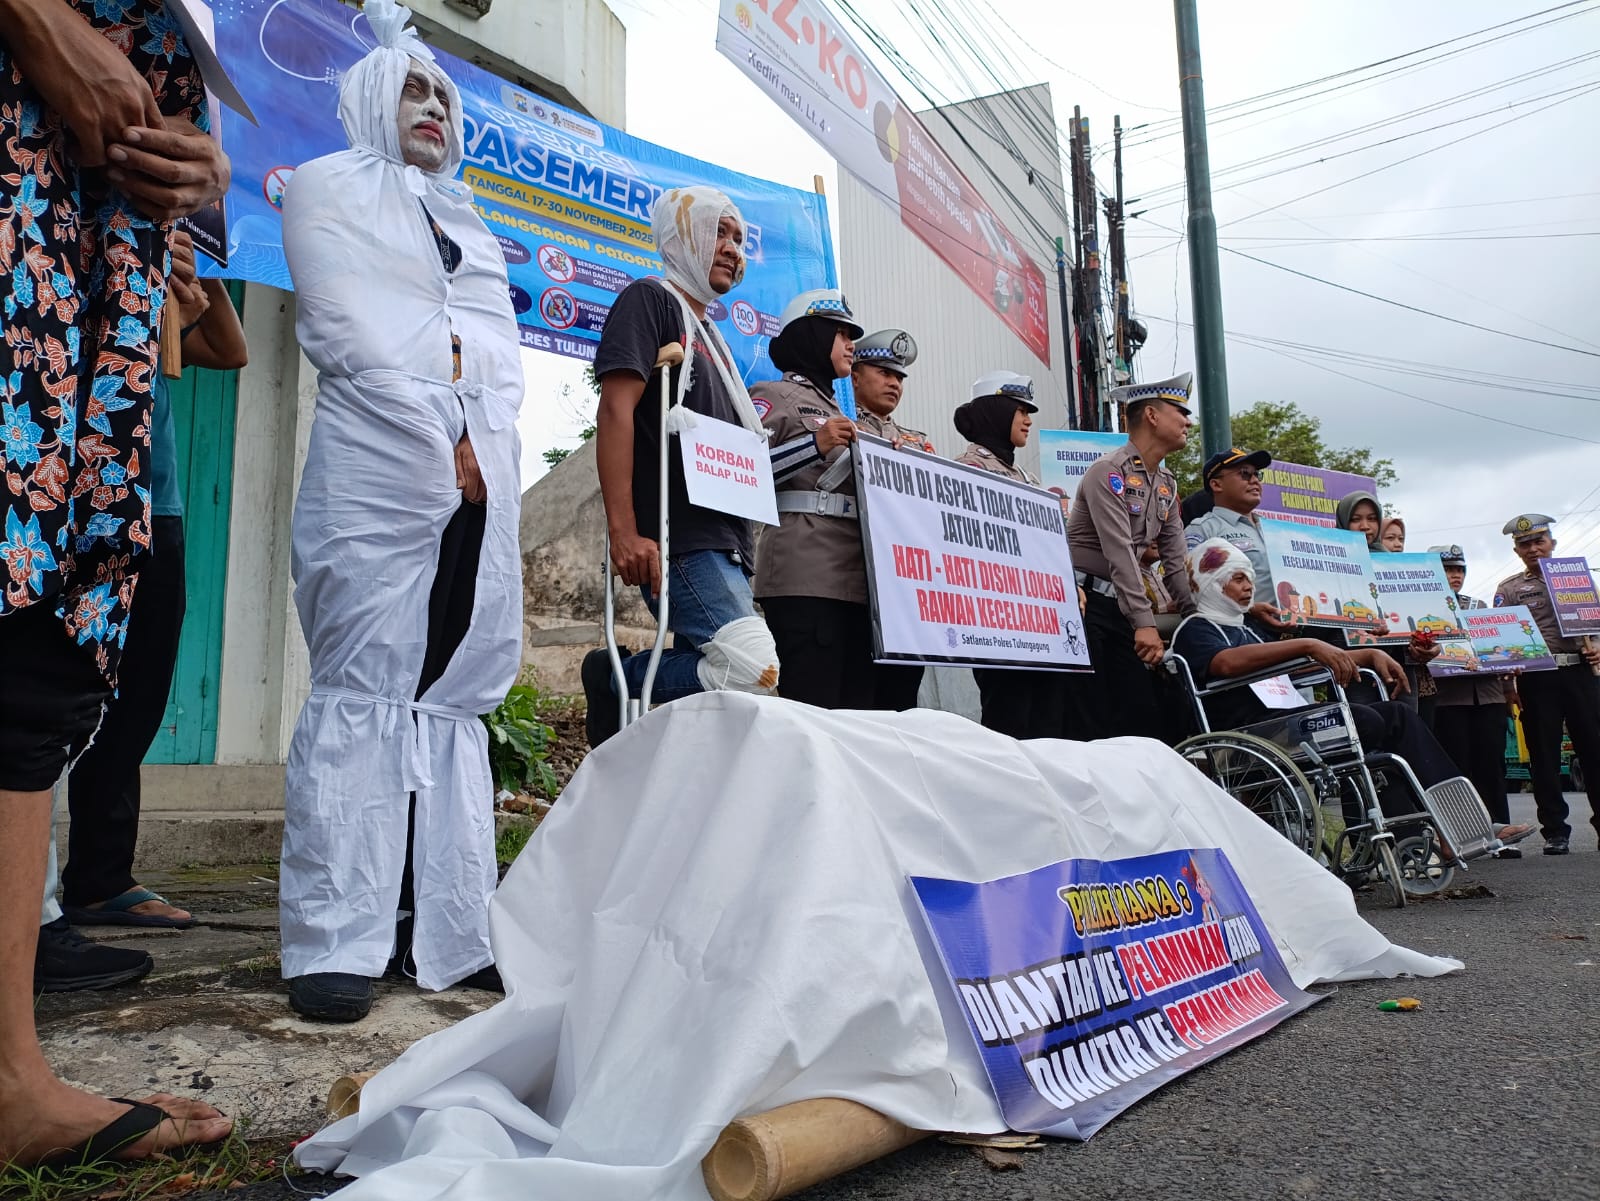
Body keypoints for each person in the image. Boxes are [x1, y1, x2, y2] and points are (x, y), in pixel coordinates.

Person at [0, 0, 233, 1166]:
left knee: (39, 649)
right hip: (16, 182)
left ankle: (7, 1073)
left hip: (103, 239)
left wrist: (199, 162)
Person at [279, 5, 525, 1022]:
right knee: (367, 686)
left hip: (477, 485)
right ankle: (336, 938)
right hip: (383, 480)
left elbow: (496, 358)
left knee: (447, 688)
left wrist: (488, 452)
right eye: (414, 89)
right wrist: (442, 441)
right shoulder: (328, 188)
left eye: (445, 97)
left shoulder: (466, 219)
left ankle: (448, 925)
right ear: (373, 99)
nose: (432, 108)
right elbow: (351, 334)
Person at [56, 233, 248, 937]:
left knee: (139, 699)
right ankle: (57, 892)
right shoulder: (86, 285)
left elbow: (231, 351)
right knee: (68, 697)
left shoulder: (158, 299)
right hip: (86, 509)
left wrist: (199, 280)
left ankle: (101, 877)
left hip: (157, 511)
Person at [585, 186, 778, 746]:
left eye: (739, 238)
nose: (732, 248)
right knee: (752, 670)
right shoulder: (651, 301)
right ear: (680, 234)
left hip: (727, 543)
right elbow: (617, 409)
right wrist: (624, 532)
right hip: (682, 541)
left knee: (723, 686)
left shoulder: (713, 338)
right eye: (718, 232)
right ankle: (614, 679)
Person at [1172, 540, 1469, 827]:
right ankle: (1410, 832)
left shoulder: (1251, 631)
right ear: (1210, 582)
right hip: (1251, 732)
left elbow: (1291, 670)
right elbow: (1225, 663)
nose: (1249, 586)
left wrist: (1366, 654)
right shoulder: (1195, 629)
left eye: (1249, 578)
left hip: (1286, 720)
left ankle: (1453, 818)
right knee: (1365, 721)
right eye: (1238, 579)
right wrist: (1307, 644)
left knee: (1397, 716)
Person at [748, 290, 876, 710]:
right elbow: (742, 473)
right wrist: (813, 445)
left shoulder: (840, 411)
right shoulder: (774, 395)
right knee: (812, 711)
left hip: (855, 585)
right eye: (840, 333)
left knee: (852, 716)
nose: (851, 344)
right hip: (804, 579)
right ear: (812, 336)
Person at [1064, 373, 1197, 740]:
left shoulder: (1167, 484)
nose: (1188, 421)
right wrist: (1145, 623)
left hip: (1122, 608)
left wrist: (1197, 618)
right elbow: (1119, 551)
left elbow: (1176, 560)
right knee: (1090, 718)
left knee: (1142, 715)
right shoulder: (1109, 472)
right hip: (1082, 607)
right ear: (1152, 416)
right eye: (1180, 411)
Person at [952, 372, 1068, 740]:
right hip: (999, 623)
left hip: (1041, 622)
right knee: (1010, 725)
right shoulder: (965, 470)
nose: (1029, 420)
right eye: (1020, 410)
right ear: (996, 412)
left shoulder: (1028, 478)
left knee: (1049, 725)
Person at [1494, 513, 1600, 855]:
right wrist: (1509, 683)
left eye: (1539, 541)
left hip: (1579, 674)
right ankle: (1555, 830)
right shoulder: (1509, 589)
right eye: (1525, 544)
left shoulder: (1578, 580)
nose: (1533, 548)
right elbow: (1502, 639)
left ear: (1552, 543)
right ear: (1516, 550)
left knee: (1594, 750)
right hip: (1537, 678)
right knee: (1543, 755)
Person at [1429, 544, 1533, 856]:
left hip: (1487, 696)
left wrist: (1510, 676)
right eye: (1448, 570)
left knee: (1492, 765)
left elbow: (1499, 646)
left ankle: (1501, 834)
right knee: (1458, 770)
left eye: (1459, 570)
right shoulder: (1424, 609)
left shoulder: (1478, 606)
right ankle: (1463, 839)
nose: (1455, 576)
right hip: (1449, 698)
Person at [851, 329, 931, 716]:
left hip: (906, 601)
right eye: (883, 372)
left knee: (902, 710)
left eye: (899, 377)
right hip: (854, 589)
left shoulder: (919, 443)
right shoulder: (840, 424)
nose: (894, 383)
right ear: (854, 374)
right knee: (858, 708)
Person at [1183, 447, 1288, 635]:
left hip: (1296, 627)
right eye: (1244, 474)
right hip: (1242, 630)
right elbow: (1194, 589)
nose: (1255, 480)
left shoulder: (1276, 530)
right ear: (1216, 485)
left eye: (1257, 474)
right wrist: (1249, 608)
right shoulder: (1203, 529)